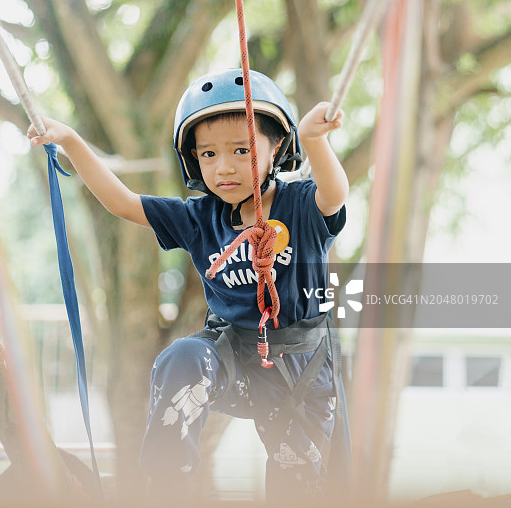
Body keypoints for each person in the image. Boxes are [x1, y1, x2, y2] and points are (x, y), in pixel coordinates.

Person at [27, 68, 350, 504]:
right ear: (194, 160)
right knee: (182, 357)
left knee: (299, 487)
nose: (224, 166)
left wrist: (315, 141)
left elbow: (334, 195)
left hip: (300, 370)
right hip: (232, 358)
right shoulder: (200, 218)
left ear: (277, 148)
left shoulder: (302, 204)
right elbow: (122, 202)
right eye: (208, 154)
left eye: (242, 150)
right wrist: (69, 140)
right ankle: (167, 487)